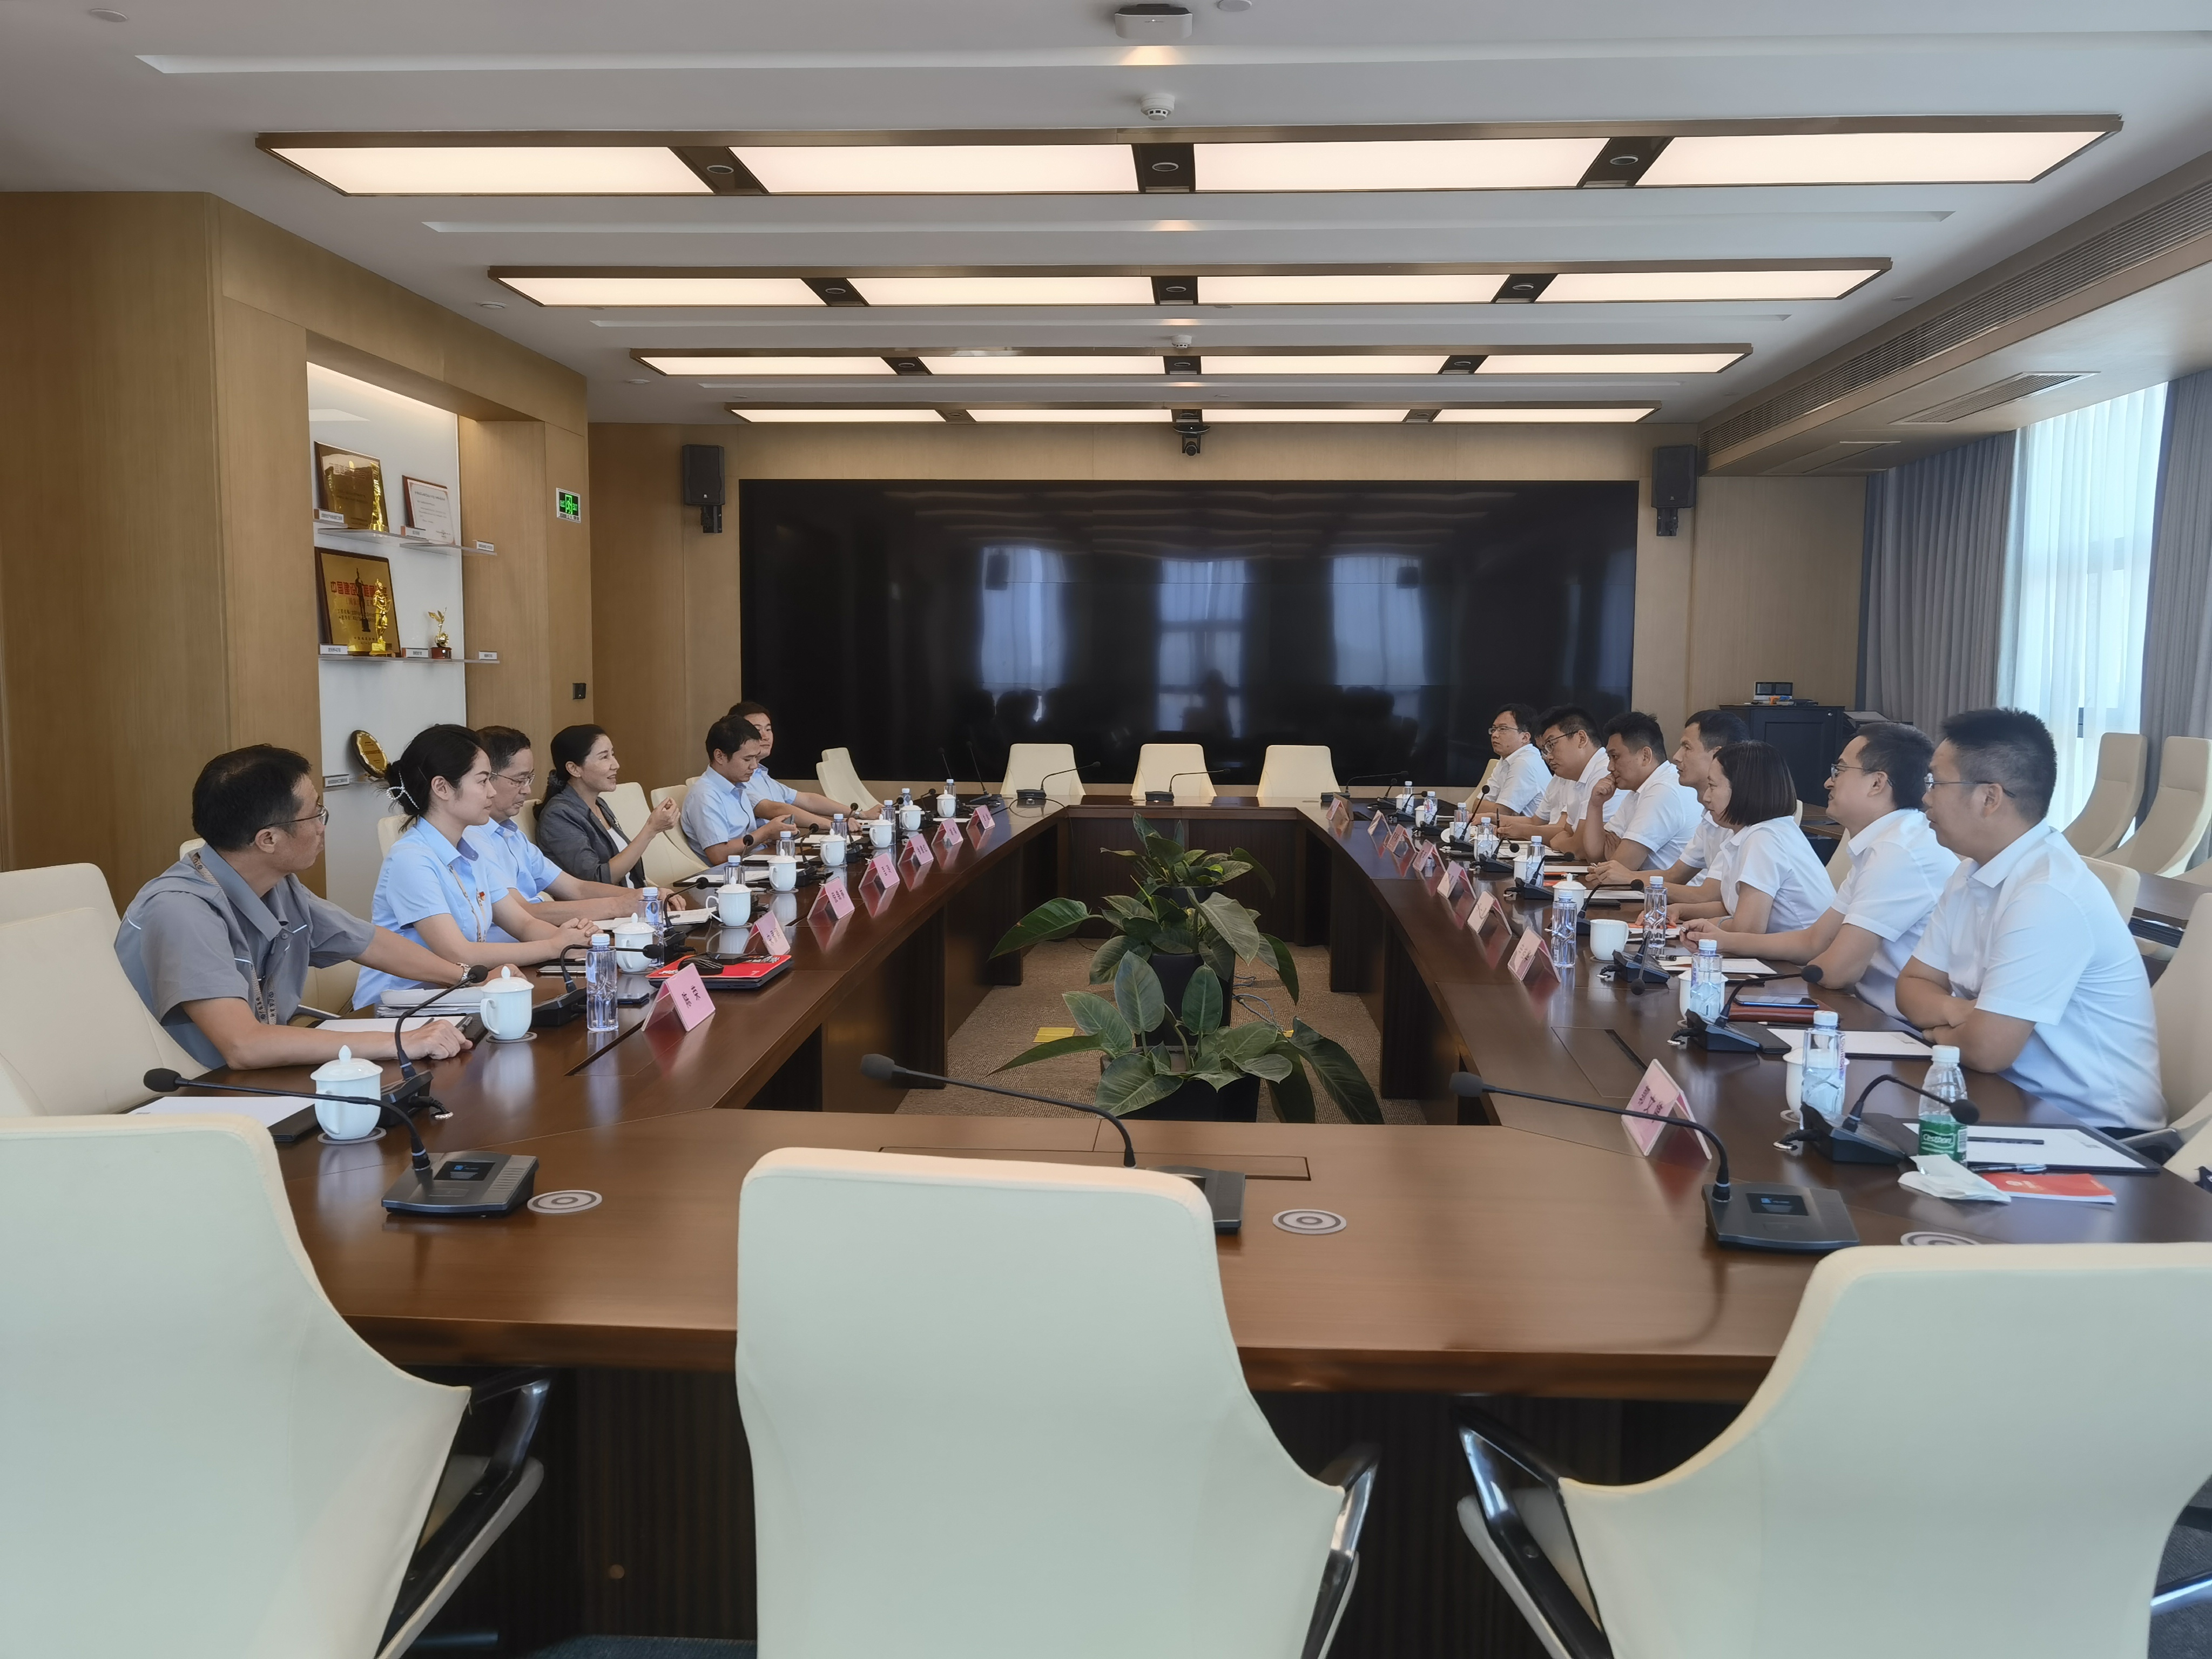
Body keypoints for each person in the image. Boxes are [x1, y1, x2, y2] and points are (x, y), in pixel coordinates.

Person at [116, 745, 474, 1070]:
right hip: (195, 1094)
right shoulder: (180, 911)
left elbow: (368, 942)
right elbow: (244, 1046)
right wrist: (400, 1041)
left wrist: (467, 978)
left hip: (263, 1074)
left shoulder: (276, 884)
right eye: (315, 814)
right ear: (268, 839)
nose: (322, 827)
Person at [1897, 708, 2163, 1131]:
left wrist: (1940, 1034)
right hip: (2004, 1096)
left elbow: (1987, 1049)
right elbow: (1910, 987)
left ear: (1989, 798)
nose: (1925, 797)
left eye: (1937, 782)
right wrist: (1960, 1012)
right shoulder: (1970, 873)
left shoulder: (2048, 893)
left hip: (2094, 1131)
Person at [1683, 723, 1955, 1017]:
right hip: (1863, 1008)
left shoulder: (1899, 850)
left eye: (1840, 770)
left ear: (1877, 783)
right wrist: (1723, 940)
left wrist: (1801, 972)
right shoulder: (1884, 843)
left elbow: (1838, 971)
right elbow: (1814, 940)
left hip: (1889, 1022)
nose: (1828, 782)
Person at [353, 726, 598, 1010]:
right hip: (398, 1009)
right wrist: (555, 946)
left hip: (457, 997)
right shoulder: (411, 859)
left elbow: (523, 924)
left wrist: (574, 942)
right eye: (482, 781)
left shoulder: (470, 850)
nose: (492, 792)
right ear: (442, 788)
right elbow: (459, 953)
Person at [464, 726, 689, 940]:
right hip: (525, 947)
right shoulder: (474, 837)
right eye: (518, 780)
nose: (527, 790)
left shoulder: (512, 834)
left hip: (546, 939)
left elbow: (576, 888)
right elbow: (522, 912)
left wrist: (642, 896)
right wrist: (618, 905)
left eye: (529, 779)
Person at [1670, 741, 1834, 934]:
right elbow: (1732, 909)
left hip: (1798, 953)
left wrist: (1704, 925)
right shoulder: (1745, 833)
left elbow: (1747, 929)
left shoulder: (1765, 839)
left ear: (1744, 790)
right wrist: (1681, 910)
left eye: (1712, 786)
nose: (1706, 797)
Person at [1590, 709, 1745, 893]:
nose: (1676, 757)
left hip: (1687, 904)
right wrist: (1625, 875)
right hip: (1679, 901)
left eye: (1687, 747)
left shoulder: (1667, 790)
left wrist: (1628, 877)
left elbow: (1706, 896)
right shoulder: (1709, 815)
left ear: (1716, 756)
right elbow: (1675, 875)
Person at [536, 724, 683, 888]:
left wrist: (655, 893)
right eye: (604, 757)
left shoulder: (600, 804)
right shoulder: (558, 815)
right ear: (574, 769)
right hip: (604, 904)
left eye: (613, 754)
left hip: (633, 898)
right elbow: (597, 881)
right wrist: (651, 829)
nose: (616, 765)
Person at [1572, 711, 1701, 874]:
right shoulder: (1636, 792)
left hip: (1669, 891)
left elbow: (1620, 867)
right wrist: (1596, 805)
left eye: (1615, 757)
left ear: (1645, 756)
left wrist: (1619, 853)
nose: (1610, 767)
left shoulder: (1664, 790)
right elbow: (1597, 856)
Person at [726, 701, 853, 831]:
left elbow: (808, 800)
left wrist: (858, 814)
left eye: (768, 729)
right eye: (757, 730)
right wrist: (833, 825)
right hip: (764, 843)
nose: (765, 737)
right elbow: (775, 809)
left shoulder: (761, 774)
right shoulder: (737, 778)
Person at [1494, 706, 1615, 842]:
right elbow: (1566, 832)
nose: (1548, 757)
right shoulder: (1574, 774)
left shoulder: (1604, 773)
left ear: (1581, 739)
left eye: (1552, 745)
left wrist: (1558, 842)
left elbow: (1580, 846)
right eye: (1545, 750)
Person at [683, 712, 779, 865]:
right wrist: (766, 832)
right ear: (720, 756)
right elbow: (719, 855)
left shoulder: (738, 786)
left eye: (756, 757)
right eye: (747, 759)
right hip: (731, 873)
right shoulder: (705, 795)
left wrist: (769, 838)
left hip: (754, 861)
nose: (754, 766)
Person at [1468, 703, 1549, 818]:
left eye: (1503, 729)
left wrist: (1500, 809)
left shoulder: (1525, 762)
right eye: (1494, 729)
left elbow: (1502, 813)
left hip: (1534, 830)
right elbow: (1477, 805)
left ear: (1525, 737)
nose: (1495, 735)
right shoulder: (1506, 759)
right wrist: (1499, 809)